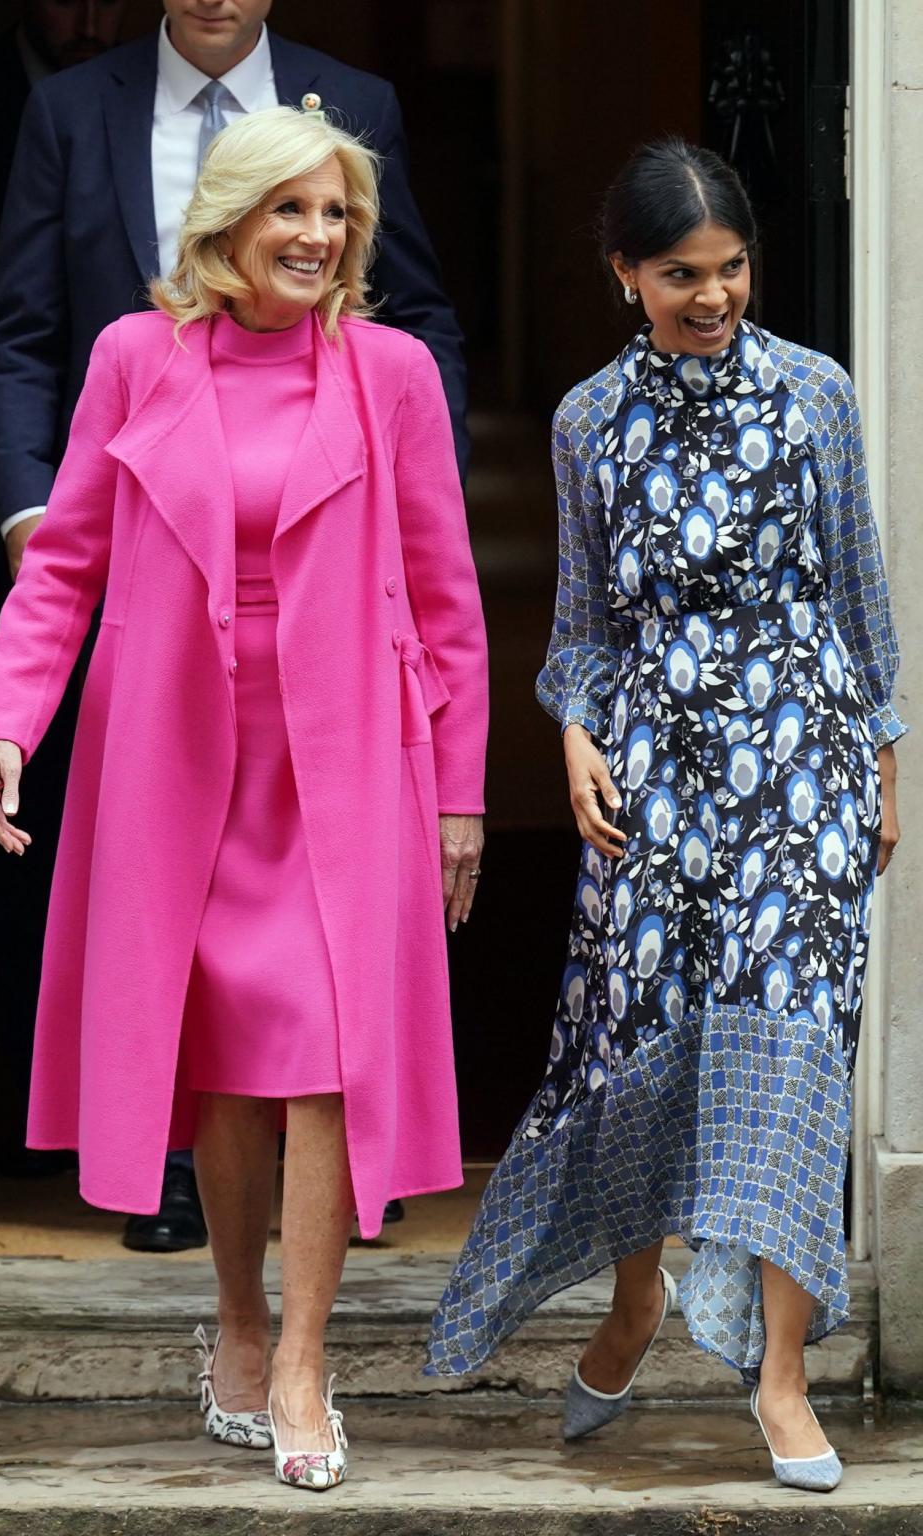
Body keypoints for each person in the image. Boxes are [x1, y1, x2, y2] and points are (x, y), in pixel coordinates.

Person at [0, 105, 487, 1490]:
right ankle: (242, 1323)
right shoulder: (136, 359)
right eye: (291, 212)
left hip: (349, 757)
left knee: (321, 1057)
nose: (318, 237)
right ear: (228, 225)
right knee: (225, 1072)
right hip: (176, 753)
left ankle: (307, 1358)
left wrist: (461, 795)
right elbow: (66, 562)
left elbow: (447, 597)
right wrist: (9, 722)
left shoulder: (391, 375)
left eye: (338, 216)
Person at [426, 138, 902, 1494]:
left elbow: (860, 597)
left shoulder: (817, 394)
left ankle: (783, 1377)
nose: (714, 295)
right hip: (655, 776)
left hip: (801, 767)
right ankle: (634, 1310)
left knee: (795, 1049)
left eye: (733, 266)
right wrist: (573, 734)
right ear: (625, 273)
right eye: (682, 272)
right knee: (643, 1041)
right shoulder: (587, 422)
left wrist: (884, 755)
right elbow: (582, 623)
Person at [0, 2, 128, 1179]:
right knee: (20, 820)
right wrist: (25, 508)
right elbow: (12, 332)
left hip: (179, 538)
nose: (90, 17)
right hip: (30, 508)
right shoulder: (5, 105)